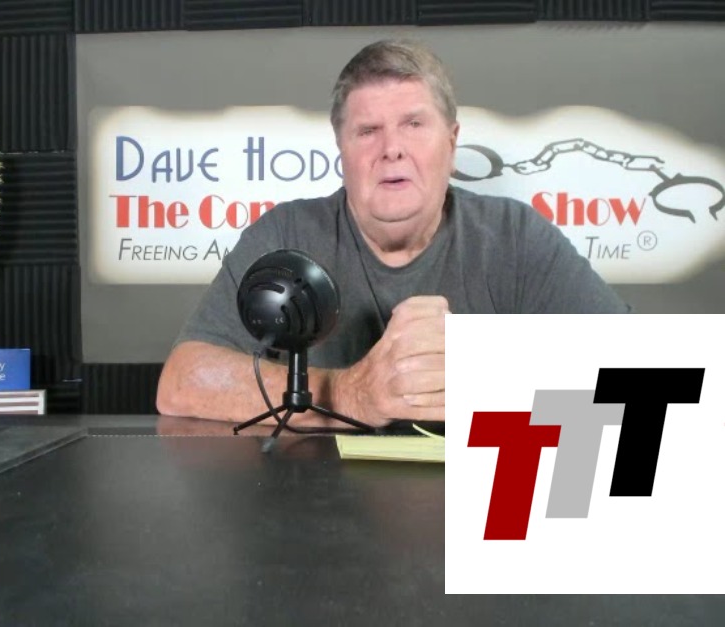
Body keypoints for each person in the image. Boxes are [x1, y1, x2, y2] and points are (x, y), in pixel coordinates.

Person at [156, 39, 629, 427]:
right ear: (341, 150)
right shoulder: (287, 234)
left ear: (452, 142)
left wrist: (480, 369)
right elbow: (180, 383)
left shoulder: (515, 237)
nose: (392, 150)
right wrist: (350, 394)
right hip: (315, 501)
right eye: (367, 131)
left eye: (414, 124)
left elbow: (635, 367)